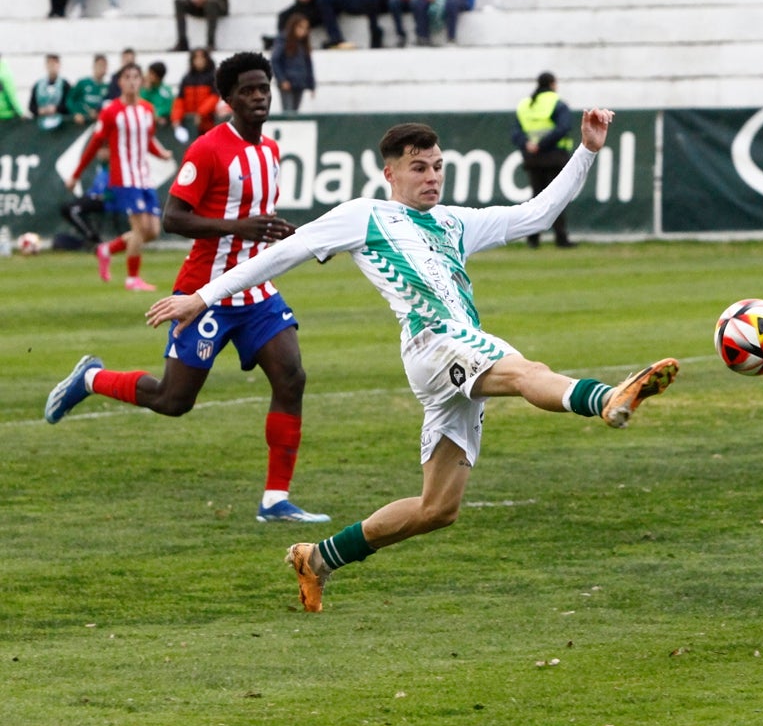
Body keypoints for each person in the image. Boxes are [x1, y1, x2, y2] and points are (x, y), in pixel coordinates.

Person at [145, 108, 679, 612]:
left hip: (456, 348)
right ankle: (607, 397)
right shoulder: (365, 215)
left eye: (438, 167)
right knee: (526, 372)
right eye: (419, 167)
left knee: (437, 508)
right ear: (391, 173)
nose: (432, 177)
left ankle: (318, 558)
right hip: (432, 342)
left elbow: (536, 213)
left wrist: (586, 150)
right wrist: (203, 297)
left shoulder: (454, 222)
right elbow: (284, 252)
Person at [47, 51, 329, 525]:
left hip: (257, 292)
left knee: (292, 377)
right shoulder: (208, 148)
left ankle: (275, 499)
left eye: (264, 87)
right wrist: (239, 225)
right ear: (228, 99)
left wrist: (289, 235)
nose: (259, 96)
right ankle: (91, 379)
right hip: (205, 291)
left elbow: (258, 221)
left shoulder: (271, 151)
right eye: (248, 90)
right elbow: (173, 218)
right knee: (173, 400)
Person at [66, 62, 172, 292]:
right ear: (121, 82)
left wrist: (160, 153)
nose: (133, 81)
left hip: (144, 177)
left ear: (141, 81)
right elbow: (95, 144)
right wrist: (75, 175)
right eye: (128, 77)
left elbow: (148, 141)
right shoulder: (111, 111)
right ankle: (132, 278)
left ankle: (106, 250)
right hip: (123, 178)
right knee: (139, 229)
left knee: (152, 232)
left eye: (136, 76)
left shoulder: (146, 109)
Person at [512, 72, 577, 248]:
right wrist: (543, 143)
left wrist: (528, 144)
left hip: (533, 158)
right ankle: (561, 238)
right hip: (554, 156)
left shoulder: (525, 105)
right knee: (557, 198)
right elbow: (564, 127)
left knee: (536, 199)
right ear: (552, 84)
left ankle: (532, 239)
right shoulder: (557, 103)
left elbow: (516, 133)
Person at [60, 144, 113, 244]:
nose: (100, 152)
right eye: (99, 149)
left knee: (73, 210)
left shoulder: (115, 168)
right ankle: (88, 236)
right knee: (66, 207)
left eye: (104, 149)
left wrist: (104, 196)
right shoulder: (102, 168)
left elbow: (116, 192)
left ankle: (93, 238)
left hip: (105, 202)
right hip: (93, 198)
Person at [170, 47, 222, 139]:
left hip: (209, 122)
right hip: (191, 123)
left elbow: (214, 97)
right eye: (196, 58)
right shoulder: (187, 78)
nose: (199, 61)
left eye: (202, 58)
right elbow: (180, 100)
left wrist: (201, 113)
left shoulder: (213, 76)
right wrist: (176, 118)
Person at [271, 13, 316, 112]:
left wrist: (311, 84)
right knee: (288, 111)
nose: (303, 31)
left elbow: (308, 65)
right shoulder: (283, 40)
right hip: (288, 82)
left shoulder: (303, 45)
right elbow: (275, 60)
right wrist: (282, 80)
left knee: (295, 111)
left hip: (299, 82)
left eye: (305, 28)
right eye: (300, 27)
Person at [29, 53, 70, 131]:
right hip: (40, 125)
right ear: (46, 65)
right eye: (50, 63)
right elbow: (31, 106)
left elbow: (68, 104)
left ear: (59, 65)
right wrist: (39, 110)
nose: (52, 67)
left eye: (55, 64)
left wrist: (56, 109)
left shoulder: (65, 84)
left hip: (61, 127)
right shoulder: (38, 85)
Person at [67, 53, 107, 124]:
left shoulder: (107, 87)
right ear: (94, 66)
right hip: (81, 124)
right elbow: (69, 100)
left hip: (97, 125)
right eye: (100, 65)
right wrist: (76, 113)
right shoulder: (82, 83)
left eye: (104, 66)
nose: (102, 68)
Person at [140, 60, 175, 127]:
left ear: (158, 77)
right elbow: (140, 104)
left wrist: (157, 114)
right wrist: (146, 91)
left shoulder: (166, 90)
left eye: (151, 73)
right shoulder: (144, 89)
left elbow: (168, 107)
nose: (147, 75)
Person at [0, 54, 25, 121]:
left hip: (6, 117)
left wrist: (20, 112)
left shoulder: (4, 74)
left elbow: (11, 95)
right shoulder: (5, 72)